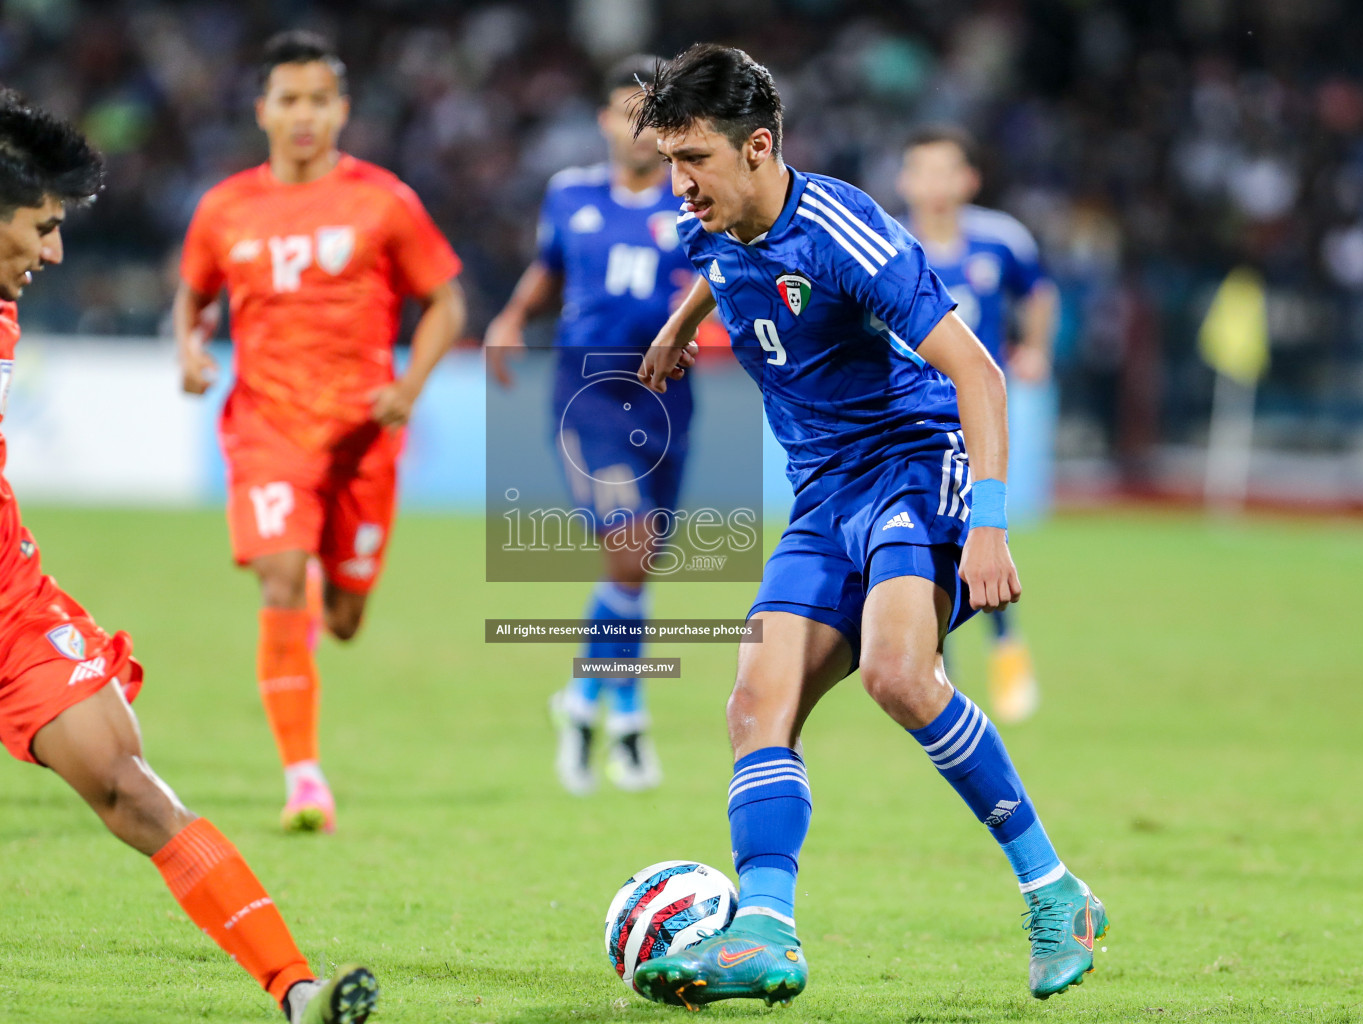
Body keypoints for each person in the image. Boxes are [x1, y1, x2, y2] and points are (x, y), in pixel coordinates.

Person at [0, 88, 375, 1024]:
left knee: (127, 785)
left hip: (1, 608)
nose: (54, 253)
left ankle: (296, 990)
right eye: (43, 228)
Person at [629, 44, 1107, 1007]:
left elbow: (979, 372)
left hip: (912, 465)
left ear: (759, 146)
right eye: (670, 161)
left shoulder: (846, 230)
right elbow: (721, 268)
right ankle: (766, 929)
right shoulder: (710, 226)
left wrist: (989, 526)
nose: (677, 184)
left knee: (898, 673)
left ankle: (1058, 894)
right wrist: (681, 327)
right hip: (821, 496)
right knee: (754, 705)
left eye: (695, 161)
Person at [175, 31, 466, 832]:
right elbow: (194, 295)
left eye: (318, 100)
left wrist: (410, 385)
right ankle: (304, 779)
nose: (303, 115)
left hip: (362, 435)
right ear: (263, 109)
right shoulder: (224, 207)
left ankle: (317, 583)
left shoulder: (384, 201)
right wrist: (192, 350)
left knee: (341, 619)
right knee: (277, 575)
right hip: (268, 424)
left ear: (341, 110)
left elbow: (445, 300)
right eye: (288, 99)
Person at [486, 56, 696, 796]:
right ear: (605, 121)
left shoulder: (692, 197)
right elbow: (548, 267)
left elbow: (722, 285)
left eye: (650, 113)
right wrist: (513, 314)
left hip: (668, 397)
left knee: (636, 569)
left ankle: (584, 703)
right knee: (631, 553)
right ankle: (628, 720)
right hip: (587, 398)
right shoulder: (568, 194)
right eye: (623, 111)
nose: (635, 126)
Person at [896, 125, 1059, 724]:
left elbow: (1039, 294)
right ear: (904, 181)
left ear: (968, 179)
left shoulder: (1000, 240)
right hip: (906, 418)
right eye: (923, 171)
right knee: (926, 538)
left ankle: (1005, 648)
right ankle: (947, 668)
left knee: (979, 531)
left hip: (975, 416)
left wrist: (1035, 348)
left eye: (947, 172)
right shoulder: (886, 242)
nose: (935, 185)